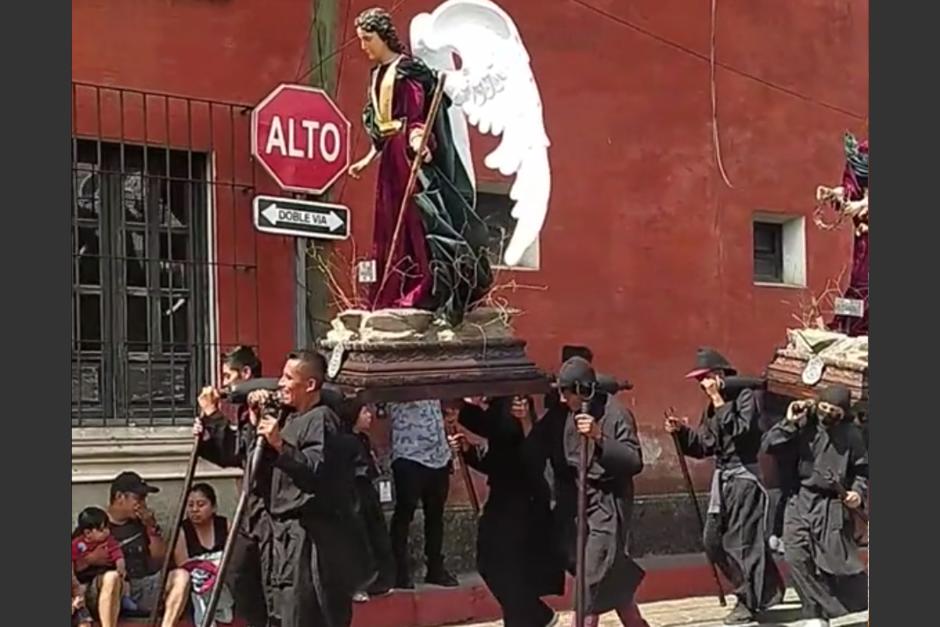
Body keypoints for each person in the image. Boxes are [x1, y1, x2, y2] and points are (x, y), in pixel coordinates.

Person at [194, 350, 363, 627]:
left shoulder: (321, 420)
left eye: (288, 378)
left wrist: (280, 446)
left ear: (309, 385)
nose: (280, 384)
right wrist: (213, 428)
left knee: (297, 608)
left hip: (303, 534)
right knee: (246, 584)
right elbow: (242, 455)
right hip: (266, 525)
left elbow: (314, 472)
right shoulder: (284, 416)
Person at [349, 7, 493, 325]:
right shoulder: (376, 75)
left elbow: (416, 115)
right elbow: (379, 125)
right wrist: (367, 158)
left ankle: (422, 286)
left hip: (407, 153)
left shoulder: (408, 72)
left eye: (368, 39)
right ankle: (391, 289)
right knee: (388, 222)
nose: (364, 47)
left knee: (417, 218)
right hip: (389, 155)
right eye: (361, 40)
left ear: (383, 37)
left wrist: (418, 142)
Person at [665, 348, 784, 625]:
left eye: (704, 378)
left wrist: (719, 400)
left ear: (718, 376)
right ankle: (763, 589)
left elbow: (741, 433)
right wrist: (681, 432)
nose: (702, 385)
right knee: (713, 541)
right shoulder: (711, 407)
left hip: (744, 480)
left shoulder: (746, 398)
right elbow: (706, 444)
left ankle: (748, 601)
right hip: (724, 481)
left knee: (742, 543)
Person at [448, 395, 564, 627]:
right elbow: (499, 460)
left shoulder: (510, 407)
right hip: (507, 498)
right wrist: (469, 449)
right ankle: (534, 614)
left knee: (500, 566)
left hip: (521, 504)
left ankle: (535, 615)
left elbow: (506, 446)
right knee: (499, 566)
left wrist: (462, 409)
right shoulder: (499, 411)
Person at [761, 385, 869, 627]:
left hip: (830, 504)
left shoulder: (851, 435)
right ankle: (819, 613)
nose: (827, 414)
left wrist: (857, 493)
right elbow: (770, 445)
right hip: (798, 498)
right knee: (795, 556)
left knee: (834, 564)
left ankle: (832, 609)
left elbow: (862, 471)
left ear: (843, 413)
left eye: (833, 411)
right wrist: (789, 422)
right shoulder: (803, 423)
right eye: (824, 408)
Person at [558, 357, 650, 627]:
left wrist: (599, 437)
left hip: (609, 508)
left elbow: (634, 461)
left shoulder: (616, 415)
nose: (563, 400)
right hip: (581, 506)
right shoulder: (570, 415)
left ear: (581, 389)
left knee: (591, 580)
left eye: (567, 393)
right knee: (607, 579)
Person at [197, 345, 268, 627]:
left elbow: (245, 450)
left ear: (246, 373)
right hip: (252, 509)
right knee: (238, 571)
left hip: (268, 508)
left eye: (228, 375)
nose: (224, 383)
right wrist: (205, 435)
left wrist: (215, 415)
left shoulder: (265, 405)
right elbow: (234, 453)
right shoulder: (243, 411)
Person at [93, 472, 191, 627]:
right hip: (112, 590)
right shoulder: (96, 523)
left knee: (182, 576)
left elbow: (160, 560)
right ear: (120, 497)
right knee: (112, 578)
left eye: (144, 499)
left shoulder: (140, 523)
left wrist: (151, 527)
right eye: (138, 499)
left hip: (142, 585)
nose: (142, 504)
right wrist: (90, 558)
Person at [387, 399, 458, 589]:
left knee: (435, 515)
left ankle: (435, 567)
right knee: (404, 514)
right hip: (408, 452)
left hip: (438, 453)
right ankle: (398, 570)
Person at [340, 398, 395, 602]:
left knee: (376, 536)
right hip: (352, 493)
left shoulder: (362, 439)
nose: (369, 415)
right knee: (358, 539)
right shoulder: (345, 440)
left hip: (367, 491)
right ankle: (357, 585)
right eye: (364, 412)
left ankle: (379, 582)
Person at [173, 483, 234, 627]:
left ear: (213, 507)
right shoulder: (183, 530)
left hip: (224, 580)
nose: (195, 510)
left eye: (201, 504)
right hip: (197, 586)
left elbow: (236, 558)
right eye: (190, 505)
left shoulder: (225, 525)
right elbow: (182, 564)